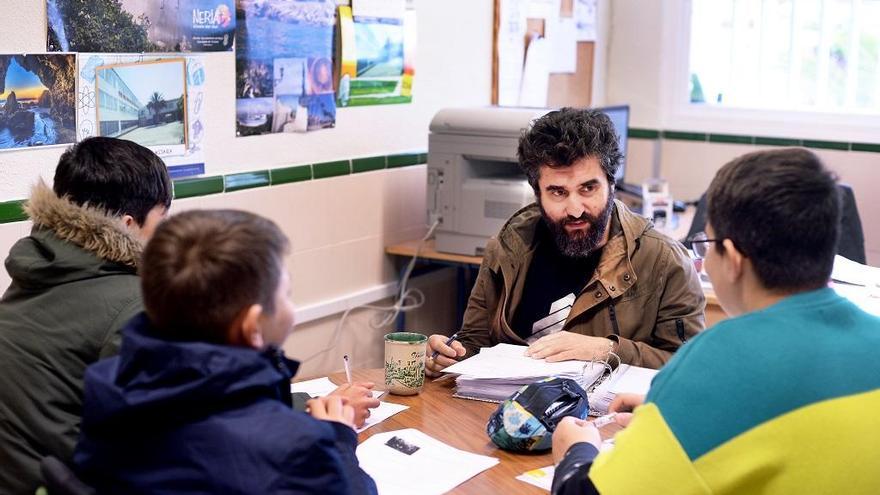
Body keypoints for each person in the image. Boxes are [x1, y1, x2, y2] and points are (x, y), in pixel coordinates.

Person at [550, 148, 880, 494]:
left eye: (706, 245)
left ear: (733, 260)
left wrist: (576, 451)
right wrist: (679, 414)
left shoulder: (718, 360)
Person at [74, 210, 378, 494]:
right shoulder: (296, 450)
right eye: (286, 294)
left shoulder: (107, 388)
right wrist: (338, 438)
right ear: (253, 326)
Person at [427, 108, 705, 374]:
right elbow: (474, 342)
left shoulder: (665, 261)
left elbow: (688, 368)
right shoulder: (509, 246)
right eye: (558, 192)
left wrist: (607, 349)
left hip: (604, 419)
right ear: (537, 193)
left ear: (611, 184)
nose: (575, 209)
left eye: (588, 188)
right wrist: (450, 355)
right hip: (507, 410)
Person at [0, 137, 172, 494]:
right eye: (163, 219)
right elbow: (168, 442)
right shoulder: (135, 306)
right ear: (128, 224)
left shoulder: (34, 272)